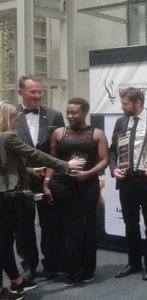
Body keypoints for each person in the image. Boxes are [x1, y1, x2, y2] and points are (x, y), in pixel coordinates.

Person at [0, 101, 84, 298]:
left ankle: (11, 283)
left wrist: (29, 170)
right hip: (6, 198)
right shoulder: (8, 136)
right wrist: (65, 165)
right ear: (7, 118)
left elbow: (4, 165)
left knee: (3, 242)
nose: (16, 120)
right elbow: (35, 154)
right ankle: (17, 283)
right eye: (14, 117)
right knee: (5, 243)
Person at [42, 98, 109, 286]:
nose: (70, 116)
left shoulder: (97, 134)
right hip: (61, 185)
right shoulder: (58, 133)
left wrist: (88, 173)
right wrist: (46, 183)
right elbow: (51, 160)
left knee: (87, 228)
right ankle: (70, 270)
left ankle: (88, 268)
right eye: (68, 112)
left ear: (85, 112)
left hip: (88, 186)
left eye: (74, 113)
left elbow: (104, 160)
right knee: (65, 228)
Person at [108, 87, 147, 281]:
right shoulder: (121, 121)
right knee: (130, 223)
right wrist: (114, 168)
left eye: (125, 103)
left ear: (138, 103)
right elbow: (112, 150)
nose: (122, 106)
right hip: (127, 181)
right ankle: (133, 262)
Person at [15, 75, 65, 280]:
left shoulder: (54, 116)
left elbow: (59, 150)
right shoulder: (10, 116)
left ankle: (51, 263)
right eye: (32, 92)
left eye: (39, 91)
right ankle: (29, 266)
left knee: (50, 223)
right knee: (23, 225)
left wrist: (50, 176)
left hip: (49, 178)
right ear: (20, 93)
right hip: (20, 179)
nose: (37, 95)